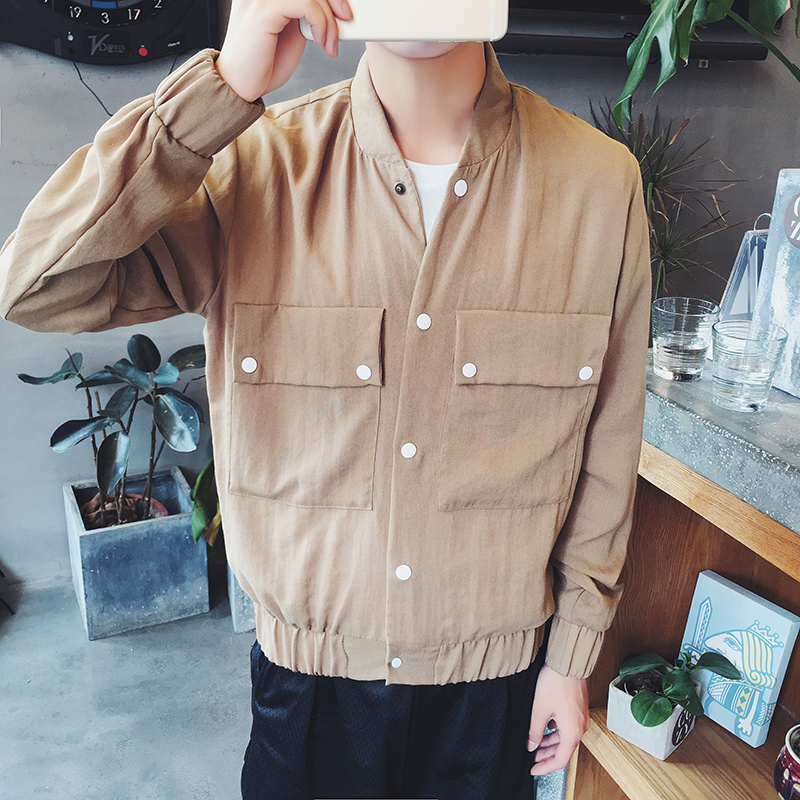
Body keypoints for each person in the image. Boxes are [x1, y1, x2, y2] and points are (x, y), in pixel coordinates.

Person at [0, 0, 651, 797]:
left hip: (495, 698)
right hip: (307, 700)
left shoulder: (598, 186)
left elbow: (608, 446)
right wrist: (216, 93)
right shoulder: (253, 168)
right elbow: (35, 285)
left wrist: (571, 659)